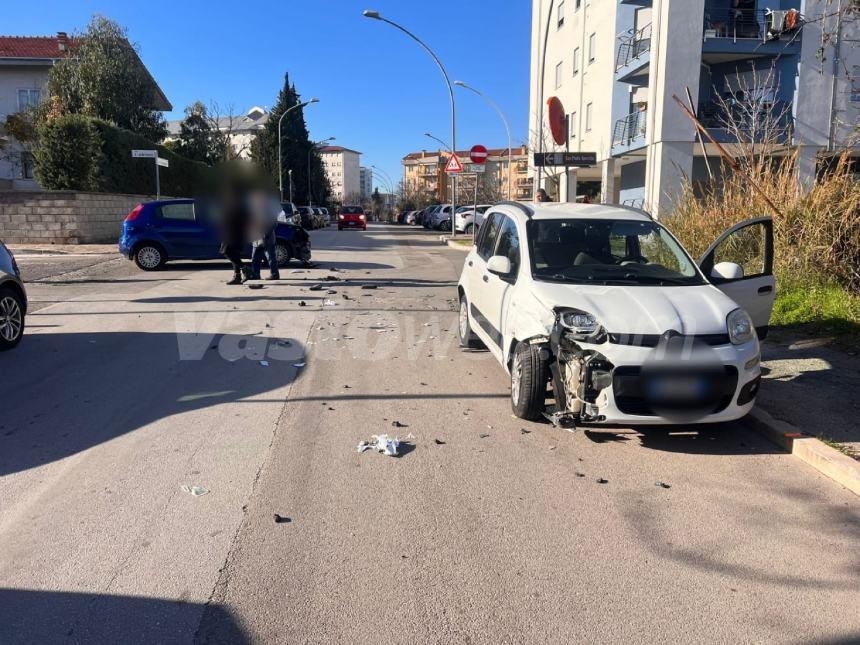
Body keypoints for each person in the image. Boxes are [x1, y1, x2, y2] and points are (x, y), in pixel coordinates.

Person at [250, 195, 281, 281]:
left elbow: (274, 223)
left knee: (271, 257)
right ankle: (256, 274)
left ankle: (274, 274)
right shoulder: (254, 210)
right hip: (256, 238)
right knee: (255, 258)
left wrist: (266, 233)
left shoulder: (268, 210)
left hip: (267, 237)